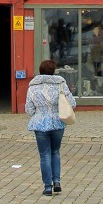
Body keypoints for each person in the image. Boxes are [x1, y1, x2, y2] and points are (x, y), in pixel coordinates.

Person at [25, 59, 75, 196]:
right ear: (53, 71)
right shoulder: (60, 84)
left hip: (40, 124)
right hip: (58, 123)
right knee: (55, 152)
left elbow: (29, 110)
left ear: (40, 71)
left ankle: (47, 187)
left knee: (44, 155)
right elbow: (72, 103)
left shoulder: (33, 87)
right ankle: (57, 181)